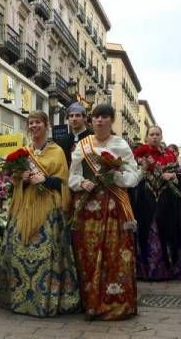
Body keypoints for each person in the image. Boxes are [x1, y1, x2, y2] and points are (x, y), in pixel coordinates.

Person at [0, 111, 80, 317]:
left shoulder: (57, 151)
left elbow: (63, 182)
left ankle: (46, 301)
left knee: (47, 254)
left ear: (46, 125)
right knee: (16, 248)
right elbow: (15, 181)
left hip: (48, 208)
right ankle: (20, 300)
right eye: (31, 123)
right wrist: (22, 178)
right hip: (25, 207)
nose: (33, 126)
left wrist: (45, 180)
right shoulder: (24, 152)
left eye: (37, 123)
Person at [69, 104, 139, 321]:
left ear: (111, 120)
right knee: (88, 254)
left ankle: (116, 304)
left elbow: (134, 175)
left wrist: (115, 177)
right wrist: (82, 183)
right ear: (91, 121)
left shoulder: (121, 144)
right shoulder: (83, 145)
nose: (100, 121)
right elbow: (72, 178)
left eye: (105, 117)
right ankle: (90, 302)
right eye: (96, 117)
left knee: (115, 253)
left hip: (114, 206)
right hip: (88, 209)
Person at [132, 126, 181, 281]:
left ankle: (169, 269)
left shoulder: (169, 155)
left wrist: (172, 175)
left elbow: (180, 175)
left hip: (168, 201)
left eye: (157, 134)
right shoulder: (137, 155)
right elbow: (132, 177)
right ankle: (146, 270)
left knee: (168, 231)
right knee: (146, 231)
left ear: (161, 136)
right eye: (151, 134)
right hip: (145, 200)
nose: (154, 137)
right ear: (146, 137)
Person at [55, 102, 93, 166]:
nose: (74, 119)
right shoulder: (62, 141)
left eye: (77, 115)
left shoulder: (93, 137)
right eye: (71, 116)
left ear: (85, 118)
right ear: (68, 119)